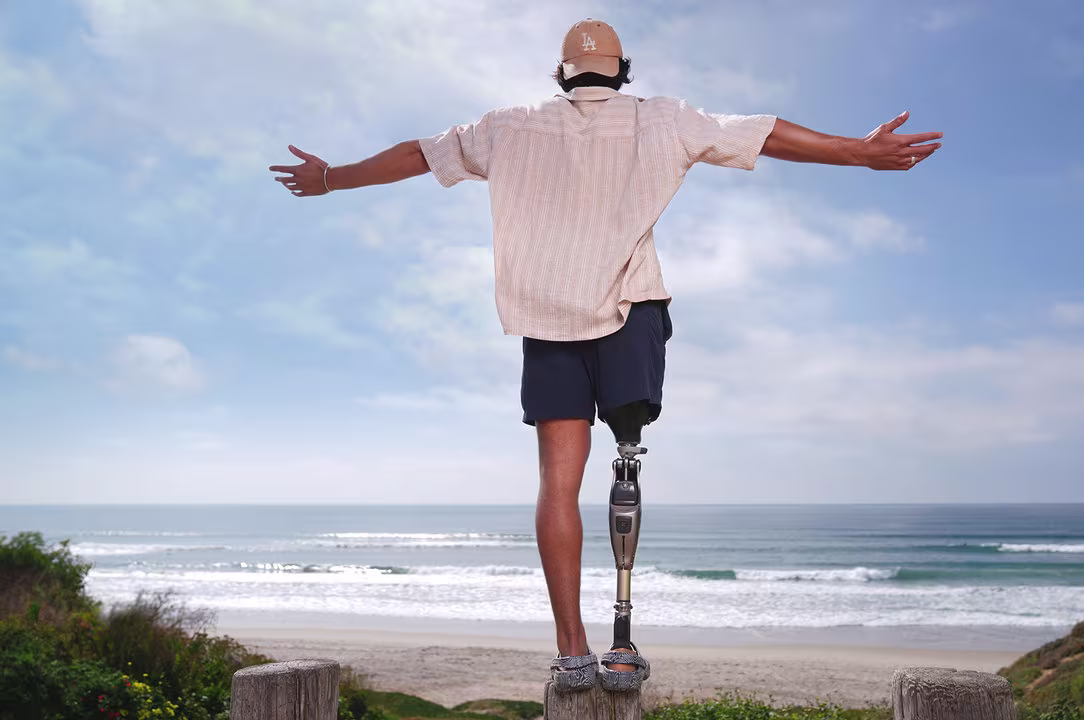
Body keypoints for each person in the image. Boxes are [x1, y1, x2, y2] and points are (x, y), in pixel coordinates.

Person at [270, 18, 941, 692]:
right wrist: (857, 151)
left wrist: (331, 178)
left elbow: (418, 154)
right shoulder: (664, 119)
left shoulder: (508, 125)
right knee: (627, 461)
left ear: (561, 74)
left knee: (558, 484)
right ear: (624, 70)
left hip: (548, 320)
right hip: (629, 312)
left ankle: (573, 649)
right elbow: (764, 132)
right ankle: (622, 635)